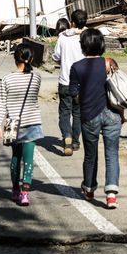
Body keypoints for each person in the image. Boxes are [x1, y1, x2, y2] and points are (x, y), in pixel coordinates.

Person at [68, 28, 122, 209]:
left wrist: (85, 97)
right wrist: (122, 114)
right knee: (112, 154)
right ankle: (112, 195)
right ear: (101, 44)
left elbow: (73, 94)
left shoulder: (76, 67)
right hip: (112, 114)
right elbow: (118, 90)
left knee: (91, 155)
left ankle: (89, 188)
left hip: (89, 115)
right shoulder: (109, 63)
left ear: (83, 45)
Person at [0, 43, 43, 206]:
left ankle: (15, 190)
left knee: (16, 157)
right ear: (31, 59)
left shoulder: (6, 79)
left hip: (11, 124)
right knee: (28, 159)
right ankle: (25, 193)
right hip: (31, 122)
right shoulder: (36, 78)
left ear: (15, 58)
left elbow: (2, 103)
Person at [52, 9, 87, 156]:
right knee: (78, 113)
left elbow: (56, 56)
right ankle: (75, 141)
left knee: (65, 112)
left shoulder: (62, 37)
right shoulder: (86, 37)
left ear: (72, 22)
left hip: (65, 81)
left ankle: (66, 136)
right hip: (81, 83)